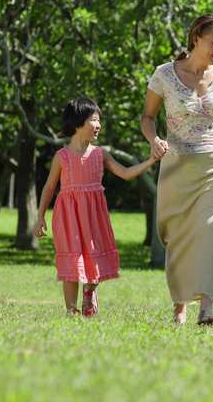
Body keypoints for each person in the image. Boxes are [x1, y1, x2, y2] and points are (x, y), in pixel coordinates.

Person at [140, 15, 213, 326]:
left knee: (211, 231)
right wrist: (154, 140)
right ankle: (180, 304)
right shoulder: (164, 74)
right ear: (196, 38)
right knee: (178, 236)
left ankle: (206, 307)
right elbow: (148, 117)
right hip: (176, 166)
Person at [34, 97, 157, 316]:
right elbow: (49, 187)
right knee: (72, 262)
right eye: (94, 120)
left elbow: (126, 173)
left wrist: (151, 160)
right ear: (78, 122)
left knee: (95, 258)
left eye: (99, 120)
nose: (99, 125)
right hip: (68, 217)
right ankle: (71, 311)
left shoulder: (100, 154)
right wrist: (40, 216)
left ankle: (89, 293)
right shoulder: (62, 157)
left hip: (94, 217)